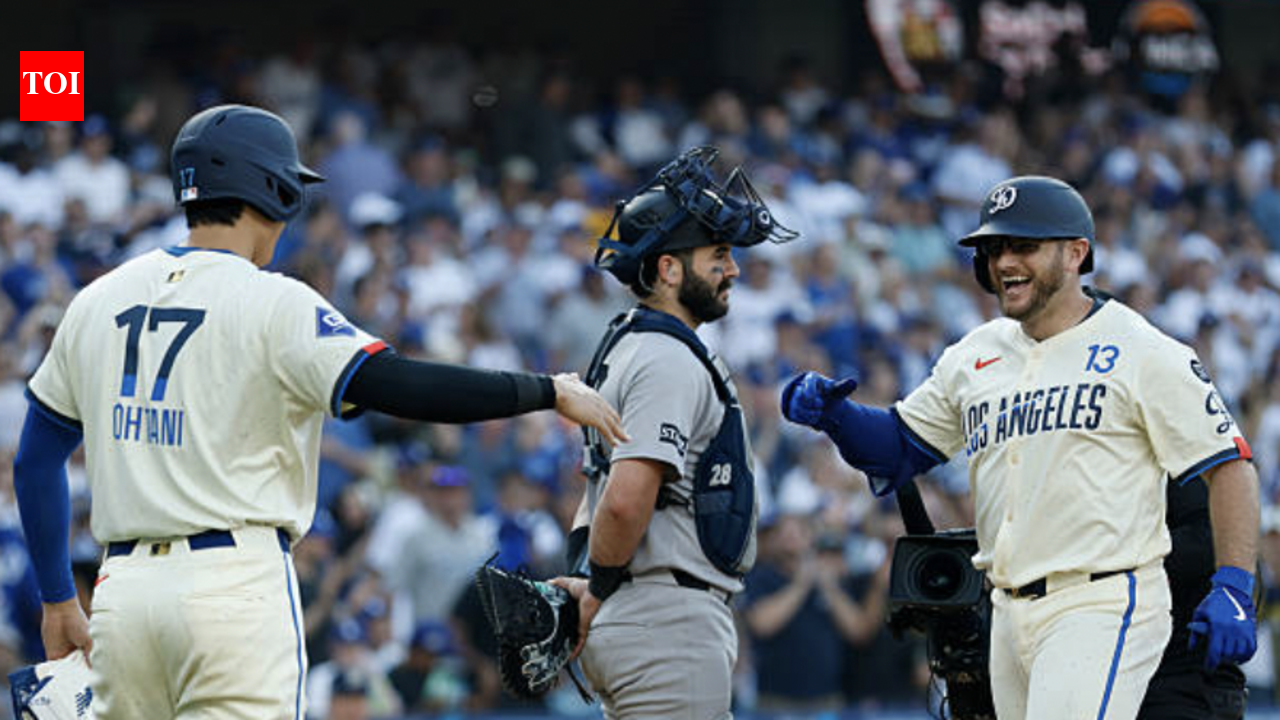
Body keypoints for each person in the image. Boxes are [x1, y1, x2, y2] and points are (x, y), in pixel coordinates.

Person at [11, 103, 627, 720]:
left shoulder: (98, 299)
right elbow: (403, 386)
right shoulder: (272, 302)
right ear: (274, 190)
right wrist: (544, 390)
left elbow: (37, 460)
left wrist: (59, 599)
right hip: (232, 586)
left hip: (124, 594)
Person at [781, 175, 1259, 720]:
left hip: (1100, 599)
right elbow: (898, 448)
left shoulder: (1143, 349)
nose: (1004, 260)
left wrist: (1235, 584)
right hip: (1005, 611)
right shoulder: (976, 353)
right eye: (993, 247)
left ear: (1077, 253)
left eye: (1023, 246)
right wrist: (838, 418)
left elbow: (1230, 465)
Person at [550, 146, 798, 719]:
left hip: (638, 612)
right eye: (718, 255)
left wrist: (595, 587)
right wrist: (600, 591)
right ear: (668, 268)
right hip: (667, 622)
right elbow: (623, 502)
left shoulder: (626, 347)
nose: (732, 269)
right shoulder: (665, 357)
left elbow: (593, 505)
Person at [1138, 478, 1249, 719]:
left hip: (1186, 679)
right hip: (1131, 674)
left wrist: (1126, 563)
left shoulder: (1178, 468)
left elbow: (1209, 537)